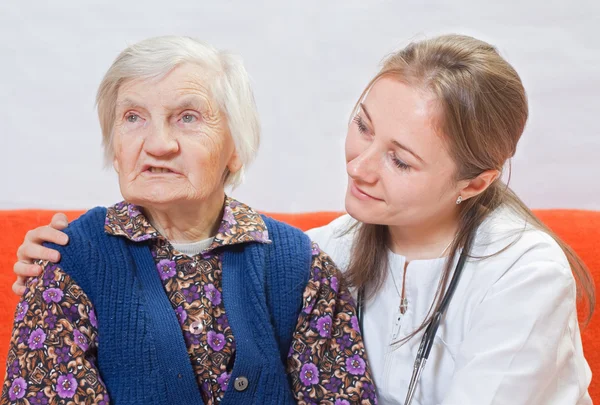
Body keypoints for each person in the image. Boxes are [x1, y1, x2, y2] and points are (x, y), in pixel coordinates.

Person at [12, 34, 595, 404]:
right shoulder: (311, 255)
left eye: (400, 159)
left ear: (474, 182)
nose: (361, 167)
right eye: (363, 126)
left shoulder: (525, 274)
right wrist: (64, 257)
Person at [2, 36, 376, 405]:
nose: (159, 144)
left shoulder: (301, 265)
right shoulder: (69, 260)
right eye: (133, 117)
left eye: (187, 117)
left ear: (236, 148)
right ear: (115, 147)